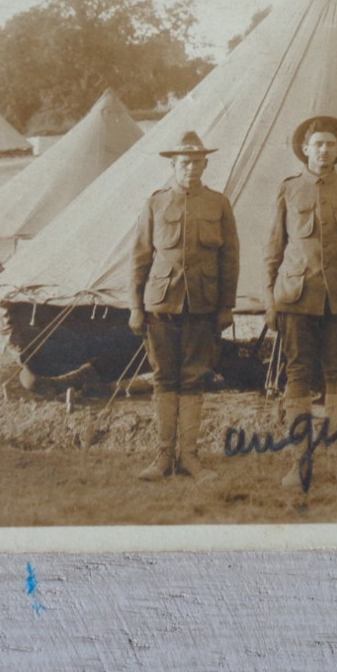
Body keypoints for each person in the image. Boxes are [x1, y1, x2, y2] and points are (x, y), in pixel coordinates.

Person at [264, 116, 337, 488]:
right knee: (297, 375)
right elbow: (274, 250)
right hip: (295, 297)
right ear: (306, 150)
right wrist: (271, 300)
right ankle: (299, 462)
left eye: (331, 144)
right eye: (318, 144)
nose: (324, 150)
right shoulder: (289, 190)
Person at [128, 132, 239, 481]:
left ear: (206, 165)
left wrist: (226, 306)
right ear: (174, 165)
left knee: (193, 378)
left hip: (202, 306)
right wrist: (135, 306)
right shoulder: (156, 203)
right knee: (164, 378)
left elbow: (229, 260)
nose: (191, 167)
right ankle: (163, 459)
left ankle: (190, 458)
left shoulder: (218, 204)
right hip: (161, 304)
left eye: (197, 162)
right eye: (184, 162)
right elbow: (140, 258)